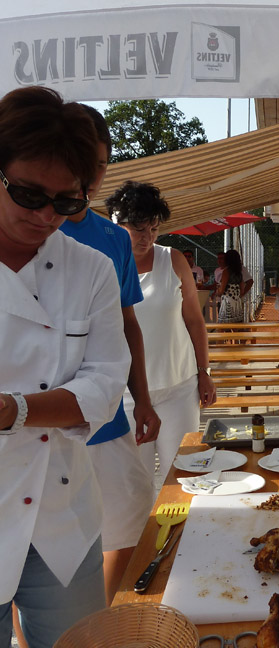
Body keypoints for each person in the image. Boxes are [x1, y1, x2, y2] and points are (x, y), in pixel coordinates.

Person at [0, 86, 130, 648]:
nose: (46, 215)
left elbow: (105, 384)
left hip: (62, 516)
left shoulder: (90, 270)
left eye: (67, 203)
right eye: (28, 194)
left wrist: (16, 410)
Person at [61, 106, 160, 603]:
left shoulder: (113, 239)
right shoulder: (27, 230)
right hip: (35, 419)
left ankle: (99, 612)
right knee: (40, 548)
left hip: (103, 410)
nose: (90, 175)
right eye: (80, 161)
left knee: (134, 512)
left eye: (99, 164)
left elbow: (128, 325)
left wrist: (143, 399)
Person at [106, 181, 216, 479]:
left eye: (154, 229)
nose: (148, 237)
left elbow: (194, 320)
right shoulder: (103, 265)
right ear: (118, 224)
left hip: (179, 388)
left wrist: (204, 372)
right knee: (133, 482)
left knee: (184, 474)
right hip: (126, 395)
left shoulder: (173, 259)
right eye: (139, 229)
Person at [217, 248, 245, 323]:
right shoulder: (239, 273)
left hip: (227, 302)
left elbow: (221, 291)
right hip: (237, 302)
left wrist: (218, 290)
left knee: (223, 326)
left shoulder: (226, 271)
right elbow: (242, 291)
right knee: (237, 325)